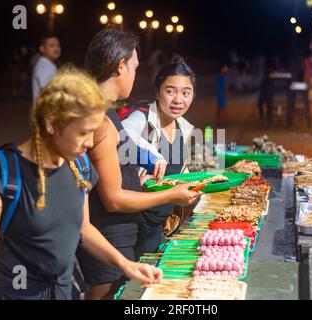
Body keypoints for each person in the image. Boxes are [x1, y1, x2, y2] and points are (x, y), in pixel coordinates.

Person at [0, 66, 162, 300]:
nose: (89, 143)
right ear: (52, 123)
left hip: (64, 293)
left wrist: (125, 264)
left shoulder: (80, 166)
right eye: (83, 133)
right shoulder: (4, 171)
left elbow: (83, 229)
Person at [76, 28, 201, 300]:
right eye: (134, 67)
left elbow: (122, 152)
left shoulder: (105, 111)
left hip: (115, 236)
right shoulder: (98, 119)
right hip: (108, 238)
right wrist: (171, 194)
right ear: (120, 66)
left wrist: (150, 159)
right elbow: (113, 199)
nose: (135, 74)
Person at [120, 57, 196, 258]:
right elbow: (123, 135)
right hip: (133, 222)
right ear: (157, 92)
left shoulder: (183, 128)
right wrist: (153, 157)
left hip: (159, 225)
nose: (178, 100)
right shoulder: (141, 117)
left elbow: (179, 174)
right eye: (170, 91)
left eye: (186, 93)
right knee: (125, 283)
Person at [32, 35, 61, 102]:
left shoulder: (46, 64)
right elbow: (46, 91)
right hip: (46, 110)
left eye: (58, 45)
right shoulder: (46, 66)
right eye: (51, 45)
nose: (56, 48)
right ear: (42, 49)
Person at [216, 63, 229, 128]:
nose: (226, 69)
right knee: (223, 109)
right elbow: (225, 87)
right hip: (222, 95)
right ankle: (223, 122)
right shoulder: (223, 77)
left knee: (219, 108)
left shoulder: (218, 76)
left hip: (219, 94)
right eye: (225, 68)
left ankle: (218, 121)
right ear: (222, 69)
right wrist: (227, 94)